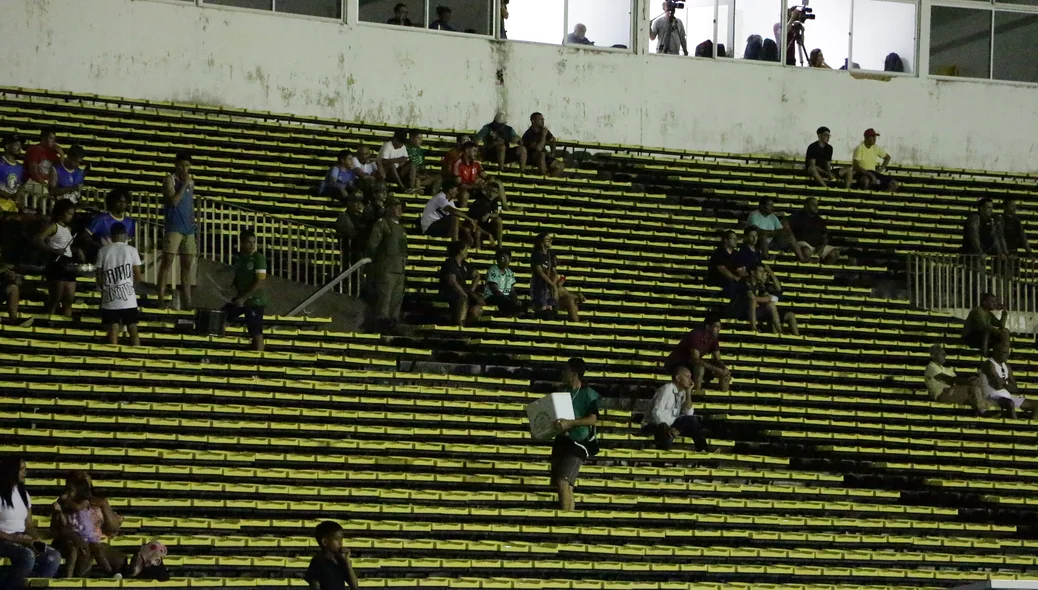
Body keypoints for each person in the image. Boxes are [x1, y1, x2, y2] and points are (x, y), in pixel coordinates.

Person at [0, 457, 60, 589]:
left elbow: (29, 525)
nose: (25, 473)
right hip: (4, 538)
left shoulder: (23, 494)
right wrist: (16, 538)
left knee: (53, 556)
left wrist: (36, 539)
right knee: (27, 556)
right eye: (22, 469)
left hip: (21, 537)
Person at [50, 471, 125, 578]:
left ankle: (112, 575)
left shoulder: (99, 502)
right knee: (83, 551)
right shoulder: (65, 503)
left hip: (96, 540)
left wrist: (104, 506)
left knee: (119, 558)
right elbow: (55, 529)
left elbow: (113, 528)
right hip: (74, 541)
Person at [550, 357, 600, 511]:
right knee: (564, 484)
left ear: (574, 373)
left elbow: (592, 420)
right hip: (561, 440)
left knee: (564, 481)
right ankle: (569, 515)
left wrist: (570, 423)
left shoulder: (589, 394)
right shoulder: (562, 392)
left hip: (578, 442)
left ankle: (565, 521)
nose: (563, 373)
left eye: (566, 370)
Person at [157, 152, 197, 310]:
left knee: (187, 266)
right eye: (182, 165)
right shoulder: (169, 180)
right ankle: (160, 297)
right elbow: (173, 201)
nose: (184, 168)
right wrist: (184, 185)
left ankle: (187, 300)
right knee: (167, 262)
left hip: (188, 228)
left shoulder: (191, 183)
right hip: (174, 226)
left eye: (187, 165)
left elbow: (190, 204)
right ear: (176, 165)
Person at [642, 366, 711, 451]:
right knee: (667, 433)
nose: (690, 380)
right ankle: (660, 461)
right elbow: (655, 413)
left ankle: (703, 449)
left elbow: (688, 413)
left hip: (671, 424)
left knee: (693, 420)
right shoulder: (667, 389)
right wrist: (667, 428)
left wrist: (688, 392)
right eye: (687, 377)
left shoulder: (683, 392)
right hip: (654, 425)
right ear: (678, 378)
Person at [96, 223, 142, 347]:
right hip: (128, 297)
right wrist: (132, 288)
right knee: (133, 328)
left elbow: (99, 274)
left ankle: (113, 355)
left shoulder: (103, 250)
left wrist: (104, 288)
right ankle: (137, 355)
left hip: (110, 294)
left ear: (111, 235)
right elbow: (137, 274)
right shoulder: (131, 250)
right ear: (125, 235)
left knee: (113, 328)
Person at [366, 198, 407, 334]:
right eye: (396, 207)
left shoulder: (400, 228)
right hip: (387, 268)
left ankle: (392, 326)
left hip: (399, 269)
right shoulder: (382, 224)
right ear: (388, 209)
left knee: (396, 302)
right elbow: (373, 245)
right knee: (384, 301)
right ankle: (381, 329)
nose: (400, 210)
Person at [33, 199, 80, 317]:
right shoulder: (53, 226)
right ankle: (51, 319)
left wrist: (77, 251)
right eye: (68, 214)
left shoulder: (69, 229)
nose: (70, 217)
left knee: (69, 297)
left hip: (68, 262)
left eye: (72, 214)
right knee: (56, 297)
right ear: (60, 213)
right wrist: (53, 250)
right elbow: (38, 240)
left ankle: (66, 322)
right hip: (57, 261)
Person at [665, 314, 732, 396]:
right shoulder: (696, 335)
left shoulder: (713, 338)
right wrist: (716, 370)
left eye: (720, 327)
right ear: (708, 327)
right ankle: (696, 393)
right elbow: (695, 359)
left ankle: (724, 395)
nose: (719, 329)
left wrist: (723, 368)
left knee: (724, 371)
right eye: (716, 327)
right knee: (700, 367)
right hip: (678, 363)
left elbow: (718, 359)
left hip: (690, 363)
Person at [224, 229, 267, 352]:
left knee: (256, 332)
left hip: (254, 300)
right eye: (249, 242)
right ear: (242, 243)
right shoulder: (239, 258)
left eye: (254, 242)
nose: (253, 245)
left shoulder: (258, 258)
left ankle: (258, 360)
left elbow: (260, 282)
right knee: (222, 318)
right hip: (241, 297)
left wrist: (244, 297)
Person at [728, 265, 799, 335]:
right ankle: (753, 328)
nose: (762, 274)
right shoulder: (744, 281)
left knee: (772, 305)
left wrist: (767, 298)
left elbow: (774, 292)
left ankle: (780, 331)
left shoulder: (759, 284)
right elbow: (752, 298)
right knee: (753, 302)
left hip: (755, 311)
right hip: (741, 312)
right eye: (761, 271)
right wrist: (768, 298)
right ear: (753, 272)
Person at [531, 232, 583, 321]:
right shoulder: (536, 255)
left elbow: (554, 272)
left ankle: (576, 321)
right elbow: (540, 273)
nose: (550, 241)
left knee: (567, 300)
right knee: (545, 309)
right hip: (541, 287)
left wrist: (554, 283)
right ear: (541, 242)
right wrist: (552, 284)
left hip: (551, 286)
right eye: (547, 240)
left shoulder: (551, 254)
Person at [924, 343, 986, 415]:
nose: (945, 356)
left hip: (953, 391)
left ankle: (979, 412)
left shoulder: (947, 368)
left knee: (979, 388)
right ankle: (984, 413)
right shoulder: (931, 367)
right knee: (974, 389)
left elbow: (956, 380)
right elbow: (949, 380)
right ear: (933, 356)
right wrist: (968, 381)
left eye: (944, 354)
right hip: (942, 395)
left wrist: (971, 380)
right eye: (942, 354)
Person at [420, 180, 487, 244]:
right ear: (450, 190)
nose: (457, 192)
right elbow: (453, 211)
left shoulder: (450, 202)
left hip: (440, 227)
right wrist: (469, 219)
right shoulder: (440, 198)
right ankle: (455, 243)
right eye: (456, 190)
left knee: (466, 230)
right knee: (454, 218)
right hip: (430, 228)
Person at [980, 345, 1035, 419]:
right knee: (1010, 403)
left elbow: (1015, 389)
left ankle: (1033, 426)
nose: (1007, 355)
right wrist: (1007, 384)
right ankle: (1015, 425)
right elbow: (997, 386)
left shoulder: (1007, 367)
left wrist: (1003, 383)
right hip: (992, 397)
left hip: (1007, 396)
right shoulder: (989, 364)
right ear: (996, 352)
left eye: (1008, 353)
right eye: (1004, 353)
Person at [83, 188, 135, 260]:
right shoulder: (101, 219)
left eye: (125, 202)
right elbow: (85, 236)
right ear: (112, 202)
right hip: (106, 259)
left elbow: (129, 241)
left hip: (123, 260)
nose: (122, 204)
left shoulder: (129, 221)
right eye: (119, 202)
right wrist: (101, 247)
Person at [439, 240, 483, 327]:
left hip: (463, 293)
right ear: (460, 251)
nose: (467, 252)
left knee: (478, 309)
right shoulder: (449, 263)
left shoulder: (465, 264)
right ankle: (459, 327)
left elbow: (477, 275)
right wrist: (464, 294)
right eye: (465, 249)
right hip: (450, 293)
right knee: (462, 299)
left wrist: (471, 290)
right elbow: (452, 282)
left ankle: (462, 325)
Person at [306, 521, 360, 590]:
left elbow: (355, 586)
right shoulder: (318, 561)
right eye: (337, 539)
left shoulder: (340, 561)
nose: (340, 543)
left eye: (341, 539)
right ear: (325, 542)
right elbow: (314, 585)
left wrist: (347, 562)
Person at [787, 196, 839, 264]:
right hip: (803, 244)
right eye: (813, 204)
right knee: (807, 252)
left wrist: (822, 246)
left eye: (817, 205)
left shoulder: (819, 220)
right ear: (806, 205)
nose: (816, 207)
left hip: (818, 247)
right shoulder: (796, 217)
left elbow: (825, 235)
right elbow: (788, 232)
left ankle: (821, 271)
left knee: (835, 253)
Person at [22, 128, 63, 203]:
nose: (53, 141)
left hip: (46, 184)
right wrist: (45, 185)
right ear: (43, 138)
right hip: (32, 182)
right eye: (51, 138)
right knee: (46, 194)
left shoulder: (53, 154)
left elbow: (62, 170)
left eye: (54, 139)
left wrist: (62, 154)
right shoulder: (35, 149)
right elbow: (33, 172)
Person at [963, 292, 1010, 357]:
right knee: (987, 329)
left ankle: (1004, 353)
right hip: (971, 338)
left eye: (995, 302)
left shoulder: (989, 314)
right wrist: (999, 333)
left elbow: (1001, 325)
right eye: (992, 302)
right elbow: (983, 326)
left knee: (1005, 331)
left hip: (982, 337)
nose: (995, 304)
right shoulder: (978, 311)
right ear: (984, 302)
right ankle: (984, 354)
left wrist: (1004, 313)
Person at [522, 113, 565, 177]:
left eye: (543, 119)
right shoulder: (528, 134)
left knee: (561, 165)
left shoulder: (543, 130)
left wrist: (553, 152)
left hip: (543, 157)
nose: (543, 121)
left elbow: (553, 140)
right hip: (530, 158)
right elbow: (538, 148)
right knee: (541, 155)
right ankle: (543, 176)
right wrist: (543, 135)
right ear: (533, 121)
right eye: (540, 119)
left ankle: (548, 181)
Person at [483, 249, 523, 315]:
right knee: (504, 301)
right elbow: (495, 290)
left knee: (520, 305)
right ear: (497, 259)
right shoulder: (493, 270)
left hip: (505, 297)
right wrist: (510, 300)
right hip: (492, 297)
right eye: (501, 258)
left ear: (510, 260)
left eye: (506, 258)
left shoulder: (510, 272)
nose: (503, 260)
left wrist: (516, 299)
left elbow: (512, 290)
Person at [706, 229, 745, 297]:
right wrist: (735, 278)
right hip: (718, 279)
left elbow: (740, 268)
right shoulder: (719, 252)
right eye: (733, 238)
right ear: (726, 240)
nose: (735, 241)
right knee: (732, 285)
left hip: (731, 280)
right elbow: (722, 269)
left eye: (736, 239)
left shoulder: (736, 253)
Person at [468, 179, 506, 249]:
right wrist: (488, 234)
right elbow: (474, 223)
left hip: (485, 227)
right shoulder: (479, 202)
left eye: (494, 192)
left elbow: (496, 214)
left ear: (497, 194)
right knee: (477, 232)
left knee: (498, 220)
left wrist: (488, 214)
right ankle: (478, 252)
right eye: (491, 191)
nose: (492, 194)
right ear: (487, 190)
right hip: (475, 227)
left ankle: (500, 247)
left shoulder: (493, 202)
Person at [335, 195, 371, 263]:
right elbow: (351, 233)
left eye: (360, 202)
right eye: (356, 202)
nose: (359, 204)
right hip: (350, 250)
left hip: (361, 249)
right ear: (349, 203)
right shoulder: (344, 217)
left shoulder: (363, 216)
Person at [0, 135, 24, 212]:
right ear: (7, 146)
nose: (20, 148)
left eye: (20, 145)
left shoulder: (19, 167)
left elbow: (17, 187)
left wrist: (19, 199)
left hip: (12, 208)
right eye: (17, 145)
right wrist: (9, 196)